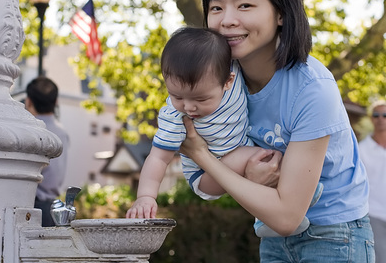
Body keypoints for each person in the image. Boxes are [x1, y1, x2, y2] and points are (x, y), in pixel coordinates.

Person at [178, 0, 374, 262]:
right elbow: (203, 183)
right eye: (216, 7)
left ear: (280, 13)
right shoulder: (218, 85)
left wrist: (203, 155)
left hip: (334, 236)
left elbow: (287, 216)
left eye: (245, 5)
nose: (227, 20)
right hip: (270, 234)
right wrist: (237, 175)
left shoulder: (312, 88)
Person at [126, 26, 322, 238]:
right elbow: (157, 158)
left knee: (271, 151)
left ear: (228, 81)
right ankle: (286, 205)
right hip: (204, 176)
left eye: (201, 99)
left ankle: (286, 203)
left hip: (239, 146)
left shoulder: (232, 71)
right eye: (177, 96)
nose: (189, 107)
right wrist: (146, 195)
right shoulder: (175, 117)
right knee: (265, 156)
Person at [25, 76, 69, 227]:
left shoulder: (29, 131)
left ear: (28, 101)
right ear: (56, 101)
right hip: (54, 207)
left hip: (32, 206)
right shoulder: (61, 132)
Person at [359, 99, 386, 263]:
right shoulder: (362, 149)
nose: (381, 118)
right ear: (371, 118)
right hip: (373, 213)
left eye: (385, 115)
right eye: (376, 115)